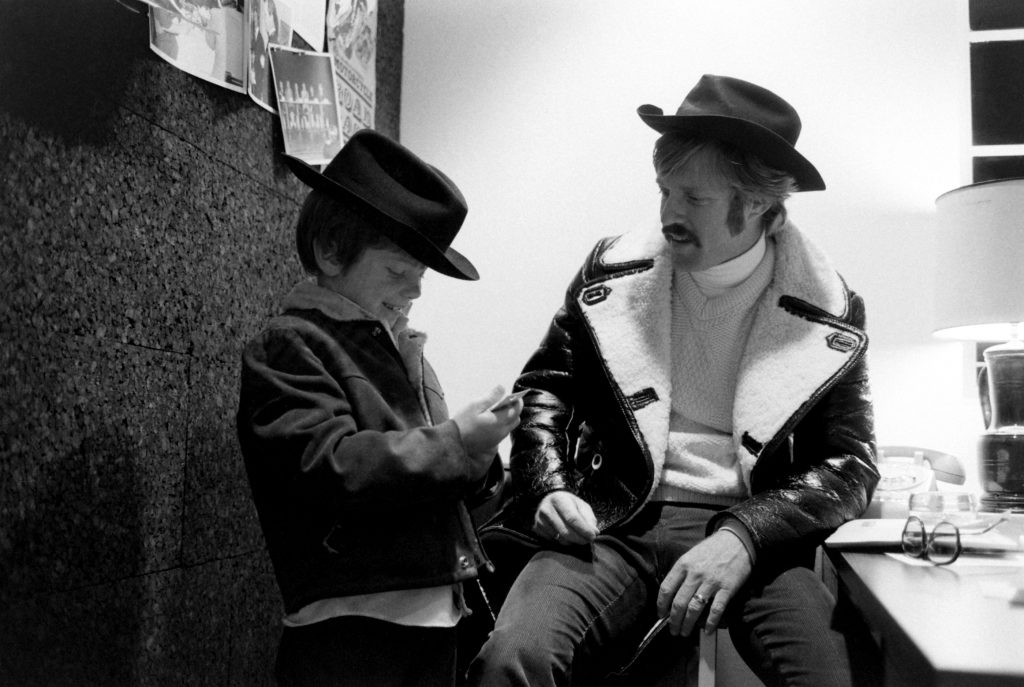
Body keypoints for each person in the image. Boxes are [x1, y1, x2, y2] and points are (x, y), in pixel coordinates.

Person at [467, 74, 880, 687]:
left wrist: (746, 536)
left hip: (751, 526)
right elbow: (545, 390)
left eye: (694, 198)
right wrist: (548, 487)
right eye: (664, 192)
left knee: (833, 677)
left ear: (760, 205)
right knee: (511, 660)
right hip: (615, 513)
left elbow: (852, 463)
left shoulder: (828, 308)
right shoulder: (611, 273)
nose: (668, 215)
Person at [237, 128, 523, 687]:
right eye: (397, 271)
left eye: (421, 276)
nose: (413, 290)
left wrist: (482, 458)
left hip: (437, 619)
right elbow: (329, 467)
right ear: (331, 251)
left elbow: (441, 478)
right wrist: (455, 443)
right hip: (347, 629)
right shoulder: (292, 344)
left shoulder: (409, 352)